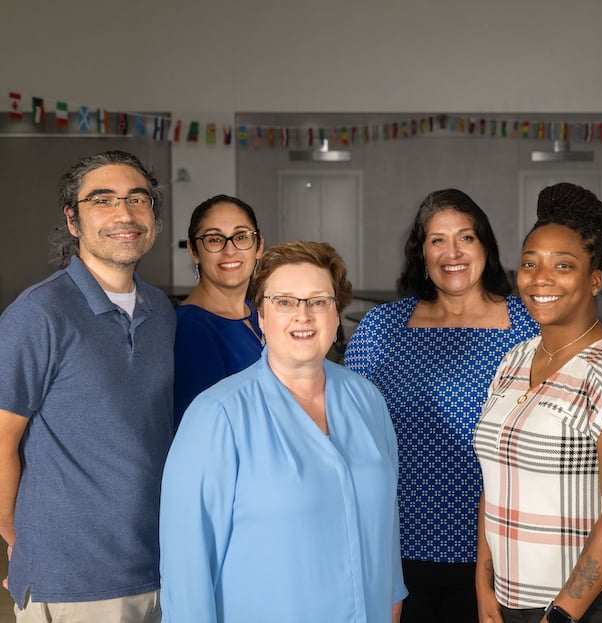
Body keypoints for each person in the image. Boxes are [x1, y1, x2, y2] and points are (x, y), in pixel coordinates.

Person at [160, 240, 406, 623]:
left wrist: (391, 599)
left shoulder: (367, 399)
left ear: (336, 313)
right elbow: (186, 568)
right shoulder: (216, 415)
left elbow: (386, 522)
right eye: (285, 302)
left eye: (318, 301)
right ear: (260, 315)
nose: (303, 315)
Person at [344, 188, 538, 623]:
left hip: (504, 546)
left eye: (466, 237)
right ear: (421, 253)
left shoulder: (529, 326)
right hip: (399, 545)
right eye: (437, 240)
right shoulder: (382, 328)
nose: (453, 253)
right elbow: (349, 432)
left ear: (485, 246)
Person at [474, 182, 602, 623]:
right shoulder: (516, 358)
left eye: (563, 265)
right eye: (530, 263)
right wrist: (485, 585)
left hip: (599, 604)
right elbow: (496, 475)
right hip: (513, 600)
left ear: (594, 280)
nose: (541, 278)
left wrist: (562, 614)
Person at [0, 151, 174, 622]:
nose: (124, 213)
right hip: (74, 582)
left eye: (137, 199)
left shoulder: (161, 311)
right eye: (103, 200)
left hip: (159, 566)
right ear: (72, 220)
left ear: (154, 218)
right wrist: (21, 538)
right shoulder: (39, 313)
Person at [174, 194, 264, 425]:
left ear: (259, 246)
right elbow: (202, 430)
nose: (230, 250)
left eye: (241, 237)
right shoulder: (191, 331)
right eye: (214, 240)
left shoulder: (257, 313)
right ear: (194, 251)